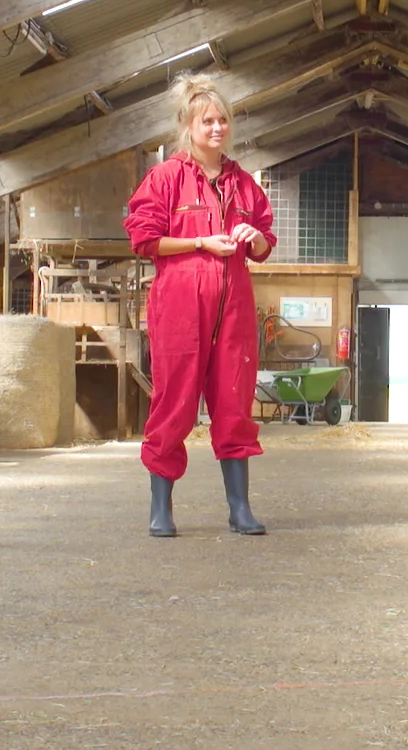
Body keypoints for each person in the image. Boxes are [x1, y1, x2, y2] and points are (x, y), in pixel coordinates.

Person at [122, 74, 277, 538]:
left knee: (234, 402)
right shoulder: (165, 178)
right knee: (174, 403)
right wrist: (200, 242)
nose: (217, 128)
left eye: (223, 120)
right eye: (207, 120)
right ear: (188, 126)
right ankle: (161, 509)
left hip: (234, 311)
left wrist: (256, 238)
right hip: (181, 309)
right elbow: (144, 239)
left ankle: (239, 508)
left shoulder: (244, 184)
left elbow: (266, 241)